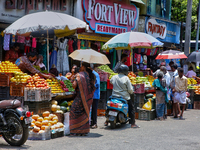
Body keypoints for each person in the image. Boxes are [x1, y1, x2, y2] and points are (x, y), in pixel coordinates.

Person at [70, 62, 95, 136]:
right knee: (84, 113)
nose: (80, 67)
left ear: (83, 67)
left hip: (79, 98)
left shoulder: (79, 75)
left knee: (74, 111)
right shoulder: (91, 75)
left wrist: (73, 77)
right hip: (88, 98)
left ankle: (75, 130)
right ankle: (84, 131)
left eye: (81, 66)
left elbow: (74, 86)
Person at [90, 65, 100, 129]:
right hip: (91, 94)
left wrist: (91, 87)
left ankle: (95, 123)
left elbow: (97, 84)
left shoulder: (95, 74)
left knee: (94, 109)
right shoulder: (90, 74)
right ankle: (91, 122)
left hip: (95, 94)